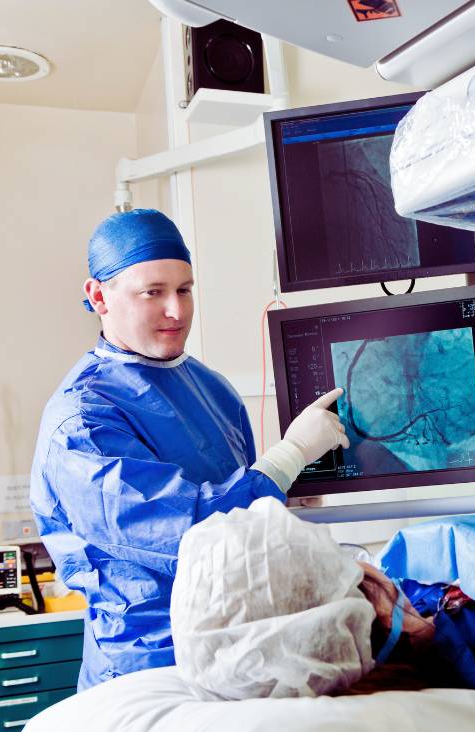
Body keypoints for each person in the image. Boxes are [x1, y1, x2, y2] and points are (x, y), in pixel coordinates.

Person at [31, 208, 349, 691]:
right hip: (149, 663)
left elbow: (240, 509)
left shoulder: (211, 388)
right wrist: (287, 458)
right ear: (98, 296)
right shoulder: (82, 422)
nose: (176, 311)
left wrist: (287, 495)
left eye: (184, 289)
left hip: (243, 644)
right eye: (152, 293)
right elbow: (193, 535)